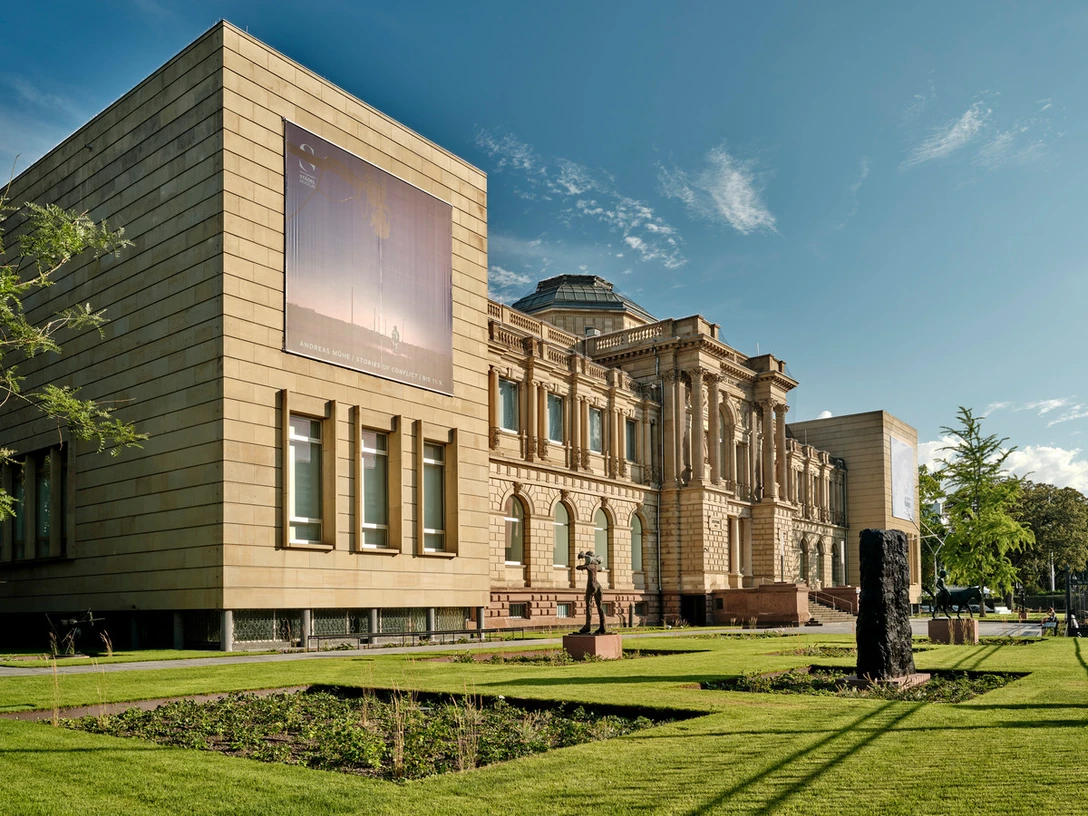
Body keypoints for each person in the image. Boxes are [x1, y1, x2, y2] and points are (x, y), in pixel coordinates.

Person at [576, 551, 606, 635]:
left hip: (591, 585)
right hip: (598, 586)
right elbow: (600, 569)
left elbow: (577, 567)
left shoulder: (588, 566)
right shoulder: (597, 566)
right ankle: (602, 626)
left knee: (589, 605)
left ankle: (587, 626)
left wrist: (584, 565)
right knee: (600, 606)